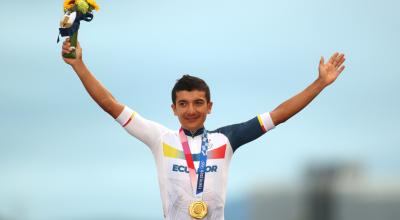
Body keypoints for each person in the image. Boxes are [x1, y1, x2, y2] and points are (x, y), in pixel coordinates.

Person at [61, 38, 346, 220]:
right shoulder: (160, 138)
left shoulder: (226, 139)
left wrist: (319, 84)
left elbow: (279, 115)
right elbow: (111, 105)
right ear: (173, 109)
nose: (191, 110)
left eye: (198, 103)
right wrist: (79, 65)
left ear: (210, 106)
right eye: (183, 104)